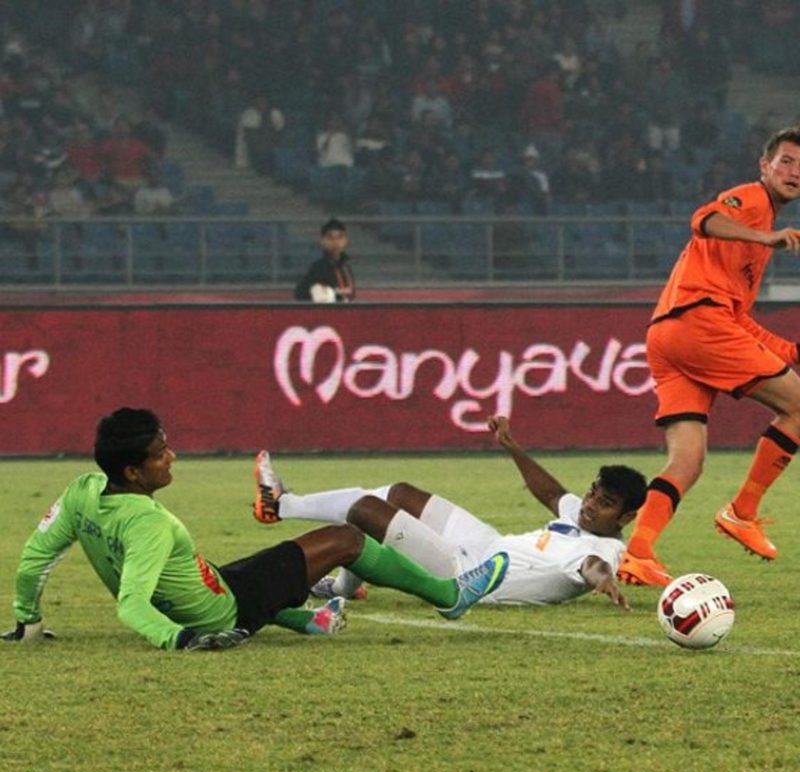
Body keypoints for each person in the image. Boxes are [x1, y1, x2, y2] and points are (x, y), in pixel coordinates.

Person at [2, 408, 509, 650]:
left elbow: (34, 559)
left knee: (238, 571)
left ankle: (310, 621)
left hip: (206, 589)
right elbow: (130, 605)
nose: (171, 456)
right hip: (226, 609)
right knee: (347, 539)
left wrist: (28, 619)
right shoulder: (151, 524)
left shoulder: (83, 491)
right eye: (160, 453)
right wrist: (181, 640)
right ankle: (450, 596)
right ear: (133, 471)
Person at [617, 126, 800, 587]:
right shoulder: (752, 201)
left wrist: (790, 352)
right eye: (786, 161)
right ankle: (743, 512)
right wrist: (765, 238)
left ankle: (638, 552)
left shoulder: (752, 237)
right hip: (697, 324)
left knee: (688, 460)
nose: (794, 172)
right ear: (765, 166)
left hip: (669, 334)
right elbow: (703, 218)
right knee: (799, 406)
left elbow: (736, 319)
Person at [252, 416, 647, 611]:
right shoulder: (580, 514)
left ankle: (282, 505)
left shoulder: (604, 549)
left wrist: (604, 581)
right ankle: (344, 586)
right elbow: (551, 492)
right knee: (401, 494)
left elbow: (592, 565)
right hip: (487, 545)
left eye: (605, 503)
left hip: (466, 576)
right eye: (593, 492)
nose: (590, 505)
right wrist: (510, 445)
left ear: (625, 518)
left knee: (365, 511)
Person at [294, 218, 356, 303]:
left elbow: (350, 294)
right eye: (330, 238)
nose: (335, 242)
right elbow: (299, 293)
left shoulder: (346, 267)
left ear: (346, 241)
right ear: (322, 241)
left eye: (340, 237)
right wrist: (314, 291)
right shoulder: (318, 268)